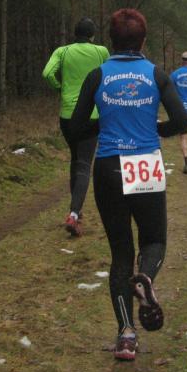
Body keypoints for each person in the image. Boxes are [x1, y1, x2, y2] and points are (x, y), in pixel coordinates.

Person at [69, 9, 187, 361]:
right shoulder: (156, 74)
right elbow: (181, 120)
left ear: (110, 40)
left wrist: (104, 126)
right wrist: (155, 130)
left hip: (108, 167)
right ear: (143, 40)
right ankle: (145, 277)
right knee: (154, 240)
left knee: (121, 253)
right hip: (145, 164)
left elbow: (76, 127)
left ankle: (126, 335)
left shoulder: (97, 76)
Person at [42, 17, 109, 237]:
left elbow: (47, 73)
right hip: (92, 114)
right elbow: (110, 74)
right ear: (92, 36)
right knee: (84, 164)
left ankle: (76, 211)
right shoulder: (101, 51)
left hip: (67, 115)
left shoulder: (62, 51)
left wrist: (60, 88)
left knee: (75, 159)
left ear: (75, 33)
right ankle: (73, 214)